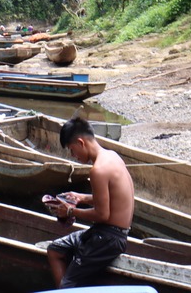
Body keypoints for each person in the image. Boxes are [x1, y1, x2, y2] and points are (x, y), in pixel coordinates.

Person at [46, 117, 135, 288]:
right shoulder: (112, 156)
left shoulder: (98, 170)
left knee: (67, 285)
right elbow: (112, 197)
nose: (74, 156)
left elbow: (102, 214)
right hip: (112, 233)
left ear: (81, 142)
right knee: (55, 249)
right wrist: (81, 197)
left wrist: (70, 212)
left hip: (108, 239)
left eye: (72, 150)